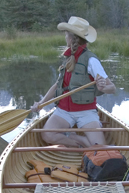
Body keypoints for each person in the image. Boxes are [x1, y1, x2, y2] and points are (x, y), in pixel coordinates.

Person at [31, 16, 116, 148]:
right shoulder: (68, 58)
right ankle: (77, 140)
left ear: (71, 38)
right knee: (47, 134)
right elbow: (56, 86)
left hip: (86, 112)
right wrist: (41, 103)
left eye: (66, 35)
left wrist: (103, 87)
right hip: (64, 111)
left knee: (100, 147)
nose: (65, 38)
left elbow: (112, 88)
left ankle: (75, 138)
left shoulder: (91, 60)